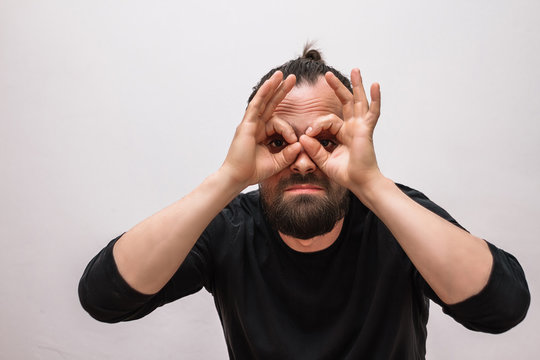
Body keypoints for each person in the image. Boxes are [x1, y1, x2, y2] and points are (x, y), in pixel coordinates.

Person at [79, 47, 530, 359]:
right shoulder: (229, 227)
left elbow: (503, 307)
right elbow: (104, 298)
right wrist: (227, 180)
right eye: (277, 140)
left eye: (327, 140)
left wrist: (369, 183)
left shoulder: (394, 214)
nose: (302, 161)